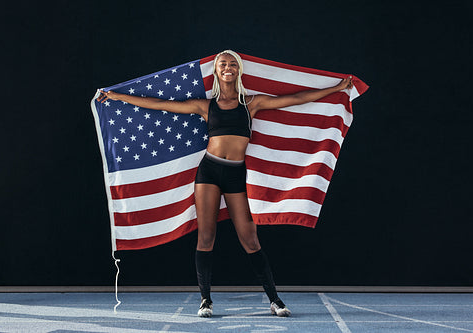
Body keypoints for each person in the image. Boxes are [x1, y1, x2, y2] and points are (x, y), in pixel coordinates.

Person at [97, 50, 353, 318]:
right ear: (216, 71)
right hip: (208, 172)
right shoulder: (205, 105)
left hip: (236, 175)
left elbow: (296, 99)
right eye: (222, 64)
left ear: (238, 70)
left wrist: (336, 88)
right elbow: (159, 103)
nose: (227, 67)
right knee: (206, 236)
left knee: (250, 239)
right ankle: (205, 300)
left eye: (232, 64)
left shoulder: (251, 104)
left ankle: (275, 300)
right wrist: (117, 96)